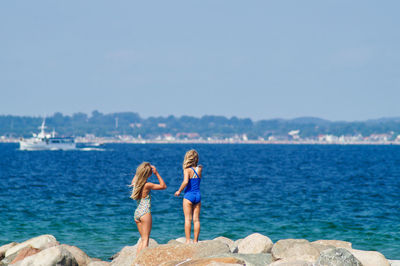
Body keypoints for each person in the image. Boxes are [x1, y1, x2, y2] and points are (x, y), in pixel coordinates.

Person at [129, 162, 166, 253]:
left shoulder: (135, 183)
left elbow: (137, 175)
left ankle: (137, 261)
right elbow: (163, 186)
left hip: (137, 213)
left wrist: (140, 171)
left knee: (142, 239)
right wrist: (156, 173)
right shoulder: (147, 185)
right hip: (145, 213)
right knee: (146, 240)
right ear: (148, 174)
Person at [174, 150, 203, 243]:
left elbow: (186, 181)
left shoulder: (187, 170)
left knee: (187, 219)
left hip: (189, 195)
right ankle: (195, 241)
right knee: (196, 220)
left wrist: (179, 191)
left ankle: (187, 241)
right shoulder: (200, 169)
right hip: (198, 196)